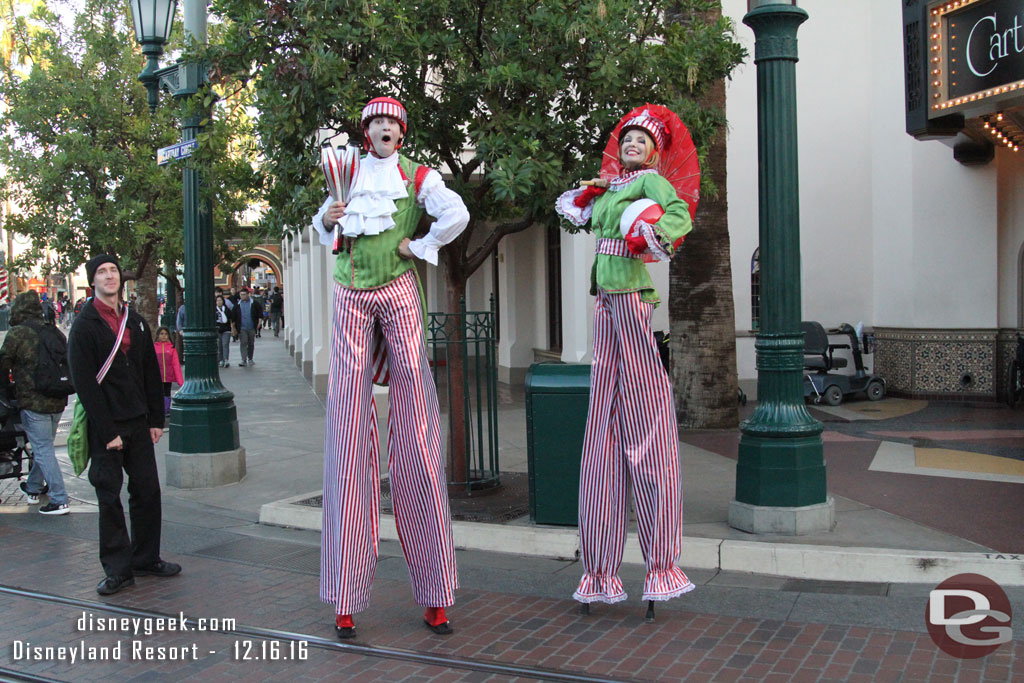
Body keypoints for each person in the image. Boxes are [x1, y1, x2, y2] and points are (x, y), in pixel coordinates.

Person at [312, 96, 469, 639]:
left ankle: (436, 594)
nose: (383, 128)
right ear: (366, 131)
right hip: (350, 295)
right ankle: (345, 596)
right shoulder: (345, 171)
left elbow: (457, 214)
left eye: (391, 123)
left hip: (399, 291)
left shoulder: (418, 176)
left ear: (401, 133)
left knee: (418, 437)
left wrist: (421, 244)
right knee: (348, 436)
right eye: (375, 122)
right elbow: (323, 228)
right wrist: (328, 219)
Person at [555, 105, 695, 615]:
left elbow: (679, 215)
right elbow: (577, 213)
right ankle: (599, 571)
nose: (632, 145)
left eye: (641, 140)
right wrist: (593, 195)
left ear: (655, 150)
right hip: (604, 301)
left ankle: (661, 564)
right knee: (604, 419)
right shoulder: (612, 186)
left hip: (632, 297)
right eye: (628, 139)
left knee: (641, 409)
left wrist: (648, 236)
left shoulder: (652, 184)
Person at [68, 254, 181, 596]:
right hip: (108, 426)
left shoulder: (136, 321)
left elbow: (149, 370)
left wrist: (155, 419)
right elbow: (85, 384)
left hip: (138, 422)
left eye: (113, 271)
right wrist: (108, 431)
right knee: (109, 497)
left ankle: (145, 557)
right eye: (101, 273)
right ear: (93, 282)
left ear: (121, 278)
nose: (109, 277)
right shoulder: (84, 325)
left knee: (147, 491)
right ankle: (118, 569)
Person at [0, 291, 71, 515]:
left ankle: (59, 499)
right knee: (44, 446)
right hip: (58, 397)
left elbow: (2, 364)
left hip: (33, 400)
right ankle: (33, 487)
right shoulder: (53, 331)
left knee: (42, 449)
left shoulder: (18, 333)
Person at [153, 327, 183, 416]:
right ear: (158, 335)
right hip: (157, 376)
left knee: (166, 392)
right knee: (158, 393)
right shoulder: (154, 347)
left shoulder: (171, 348)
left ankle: (166, 409)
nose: (164, 336)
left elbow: (176, 364)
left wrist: (180, 381)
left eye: (166, 334)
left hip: (168, 376)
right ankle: (159, 409)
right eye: (161, 334)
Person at [230, 287, 262, 367]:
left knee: (251, 343)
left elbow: (260, 313)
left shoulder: (254, 303)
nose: (242, 296)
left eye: (244, 295)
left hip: (251, 327)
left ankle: (250, 358)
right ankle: (243, 359)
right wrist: (233, 328)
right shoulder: (237, 305)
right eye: (241, 295)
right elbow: (233, 317)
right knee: (243, 343)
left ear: (248, 294)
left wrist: (259, 322)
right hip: (242, 327)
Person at [214, 295, 233, 368]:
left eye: (220, 300)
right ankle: (220, 360)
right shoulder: (214, 311)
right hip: (218, 330)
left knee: (225, 344)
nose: (219, 302)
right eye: (217, 300)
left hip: (226, 330)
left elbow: (231, 319)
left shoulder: (227, 310)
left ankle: (226, 359)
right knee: (219, 345)